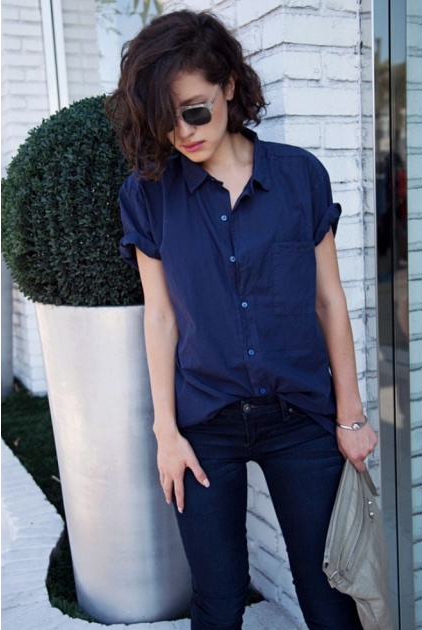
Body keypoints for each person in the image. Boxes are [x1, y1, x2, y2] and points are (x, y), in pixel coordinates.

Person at [106, 9, 377, 630]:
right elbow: (160, 318)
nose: (182, 132)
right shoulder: (147, 194)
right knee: (218, 599)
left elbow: (329, 300)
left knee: (330, 597)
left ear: (228, 85)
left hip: (302, 418)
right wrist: (166, 433)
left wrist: (351, 414)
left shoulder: (299, 176)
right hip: (204, 422)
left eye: (195, 111)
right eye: (166, 118)